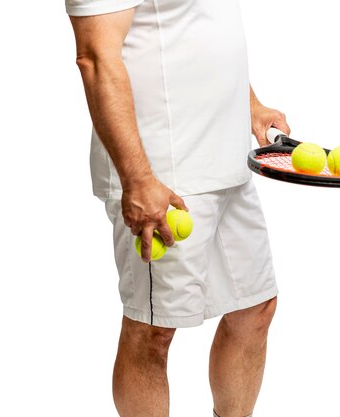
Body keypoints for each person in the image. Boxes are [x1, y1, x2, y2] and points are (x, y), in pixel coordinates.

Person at [66, 1, 290, 416]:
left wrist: (250, 102)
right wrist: (137, 181)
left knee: (254, 308)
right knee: (153, 331)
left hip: (226, 158)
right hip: (164, 174)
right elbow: (95, 58)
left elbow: (198, 24)